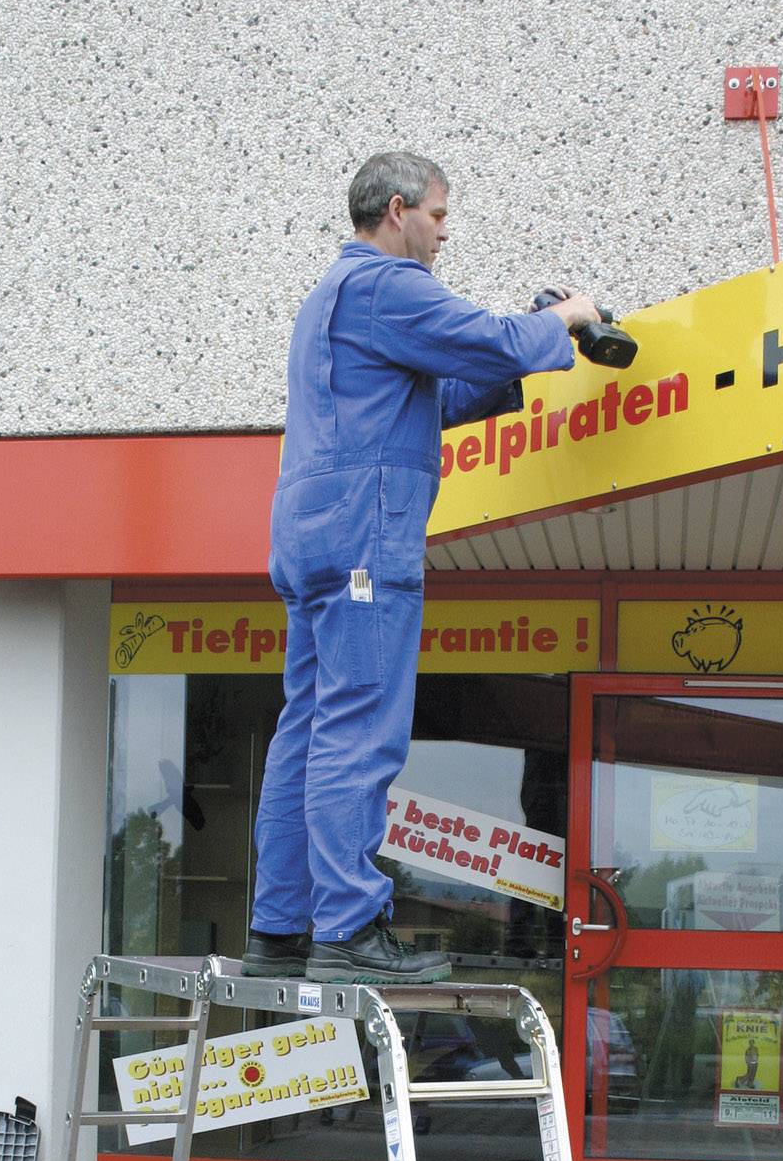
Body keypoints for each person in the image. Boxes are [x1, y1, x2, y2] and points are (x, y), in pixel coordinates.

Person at [242, 150, 603, 984]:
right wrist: (565, 318)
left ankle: (281, 929)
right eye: (440, 216)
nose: (445, 233)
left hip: (313, 534)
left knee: (307, 729)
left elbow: (435, 396)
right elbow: (485, 337)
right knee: (359, 730)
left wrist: (511, 367)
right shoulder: (383, 285)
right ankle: (349, 931)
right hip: (364, 537)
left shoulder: (332, 301)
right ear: (399, 209)